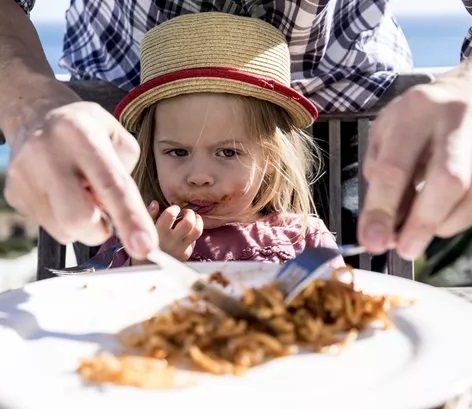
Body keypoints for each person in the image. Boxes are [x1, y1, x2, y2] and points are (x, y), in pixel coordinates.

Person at [0, 0, 472, 263]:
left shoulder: (302, 223)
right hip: (118, 141)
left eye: (226, 153)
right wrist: (33, 107)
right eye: (186, 154)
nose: (202, 173)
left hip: (350, 134)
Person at [98, 13, 343, 268]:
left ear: (271, 156)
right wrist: (149, 261)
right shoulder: (132, 237)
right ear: (151, 153)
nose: (199, 176)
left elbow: (341, 304)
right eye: (178, 152)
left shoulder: (305, 238)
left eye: (227, 152)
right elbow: (96, 305)